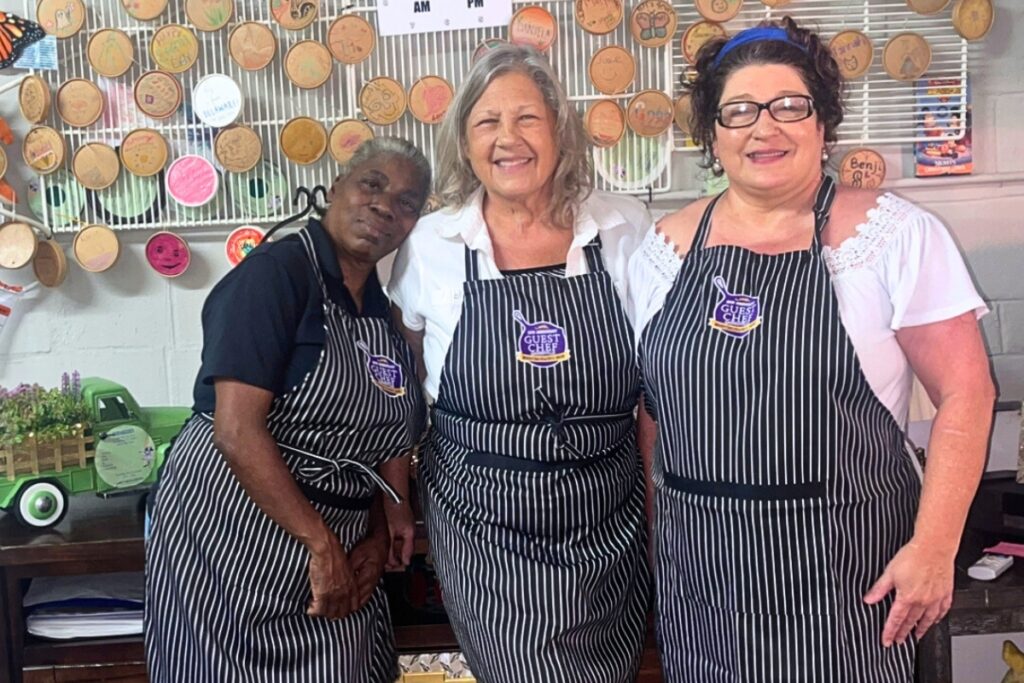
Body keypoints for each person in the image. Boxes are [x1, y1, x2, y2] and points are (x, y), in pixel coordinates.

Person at [629, 19, 995, 682]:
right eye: (738, 110)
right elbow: (656, 416)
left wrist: (935, 544)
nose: (762, 128)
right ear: (712, 133)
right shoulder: (663, 249)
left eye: (788, 106)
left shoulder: (893, 237)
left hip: (845, 581)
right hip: (703, 589)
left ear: (821, 123)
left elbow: (967, 392)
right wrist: (662, 549)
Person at [389, 44, 652, 682]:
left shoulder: (623, 228)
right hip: (485, 525)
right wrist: (397, 500)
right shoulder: (432, 245)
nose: (509, 139)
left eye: (527, 118)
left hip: (608, 519)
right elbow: (397, 391)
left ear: (559, 128)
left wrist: (656, 504)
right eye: (487, 122)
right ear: (465, 141)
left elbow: (656, 389)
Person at [145, 137, 431, 682]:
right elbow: (235, 430)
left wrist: (381, 523)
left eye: (407, 201)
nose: (384, 206)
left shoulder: (379, 307)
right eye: (372, 183)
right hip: (231, 538)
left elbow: (382, 430)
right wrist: (321, 544)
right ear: (335, 187)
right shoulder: (275, 276)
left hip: (336, 541)